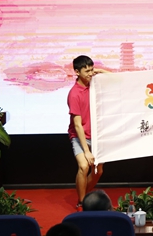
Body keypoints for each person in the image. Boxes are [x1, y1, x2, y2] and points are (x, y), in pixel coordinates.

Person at [68, 55, 108, 209]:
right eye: (87, 71)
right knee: (84, 166)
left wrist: (100, 71)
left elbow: (116, 80)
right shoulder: (74, 94)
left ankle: (85, 196)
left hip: (97, 135)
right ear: (77, 72)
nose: (91, 74)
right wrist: (86, 151)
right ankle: (82, 202)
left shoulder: (94, 84)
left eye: (92, 70)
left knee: (98, 171)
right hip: (80, 136)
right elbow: (78, 125)